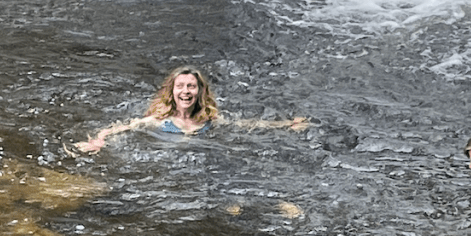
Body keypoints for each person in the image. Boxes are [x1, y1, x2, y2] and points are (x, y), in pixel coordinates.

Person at [72, 66, 308, 154]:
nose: (186, 92)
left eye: (191, 87)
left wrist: (287, 125)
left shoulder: (209, 121)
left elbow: (248, 125)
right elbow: (120, 128)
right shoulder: (158, 120)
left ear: (200, 92)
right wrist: (98, 142)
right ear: (172, 91)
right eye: (181, 86)